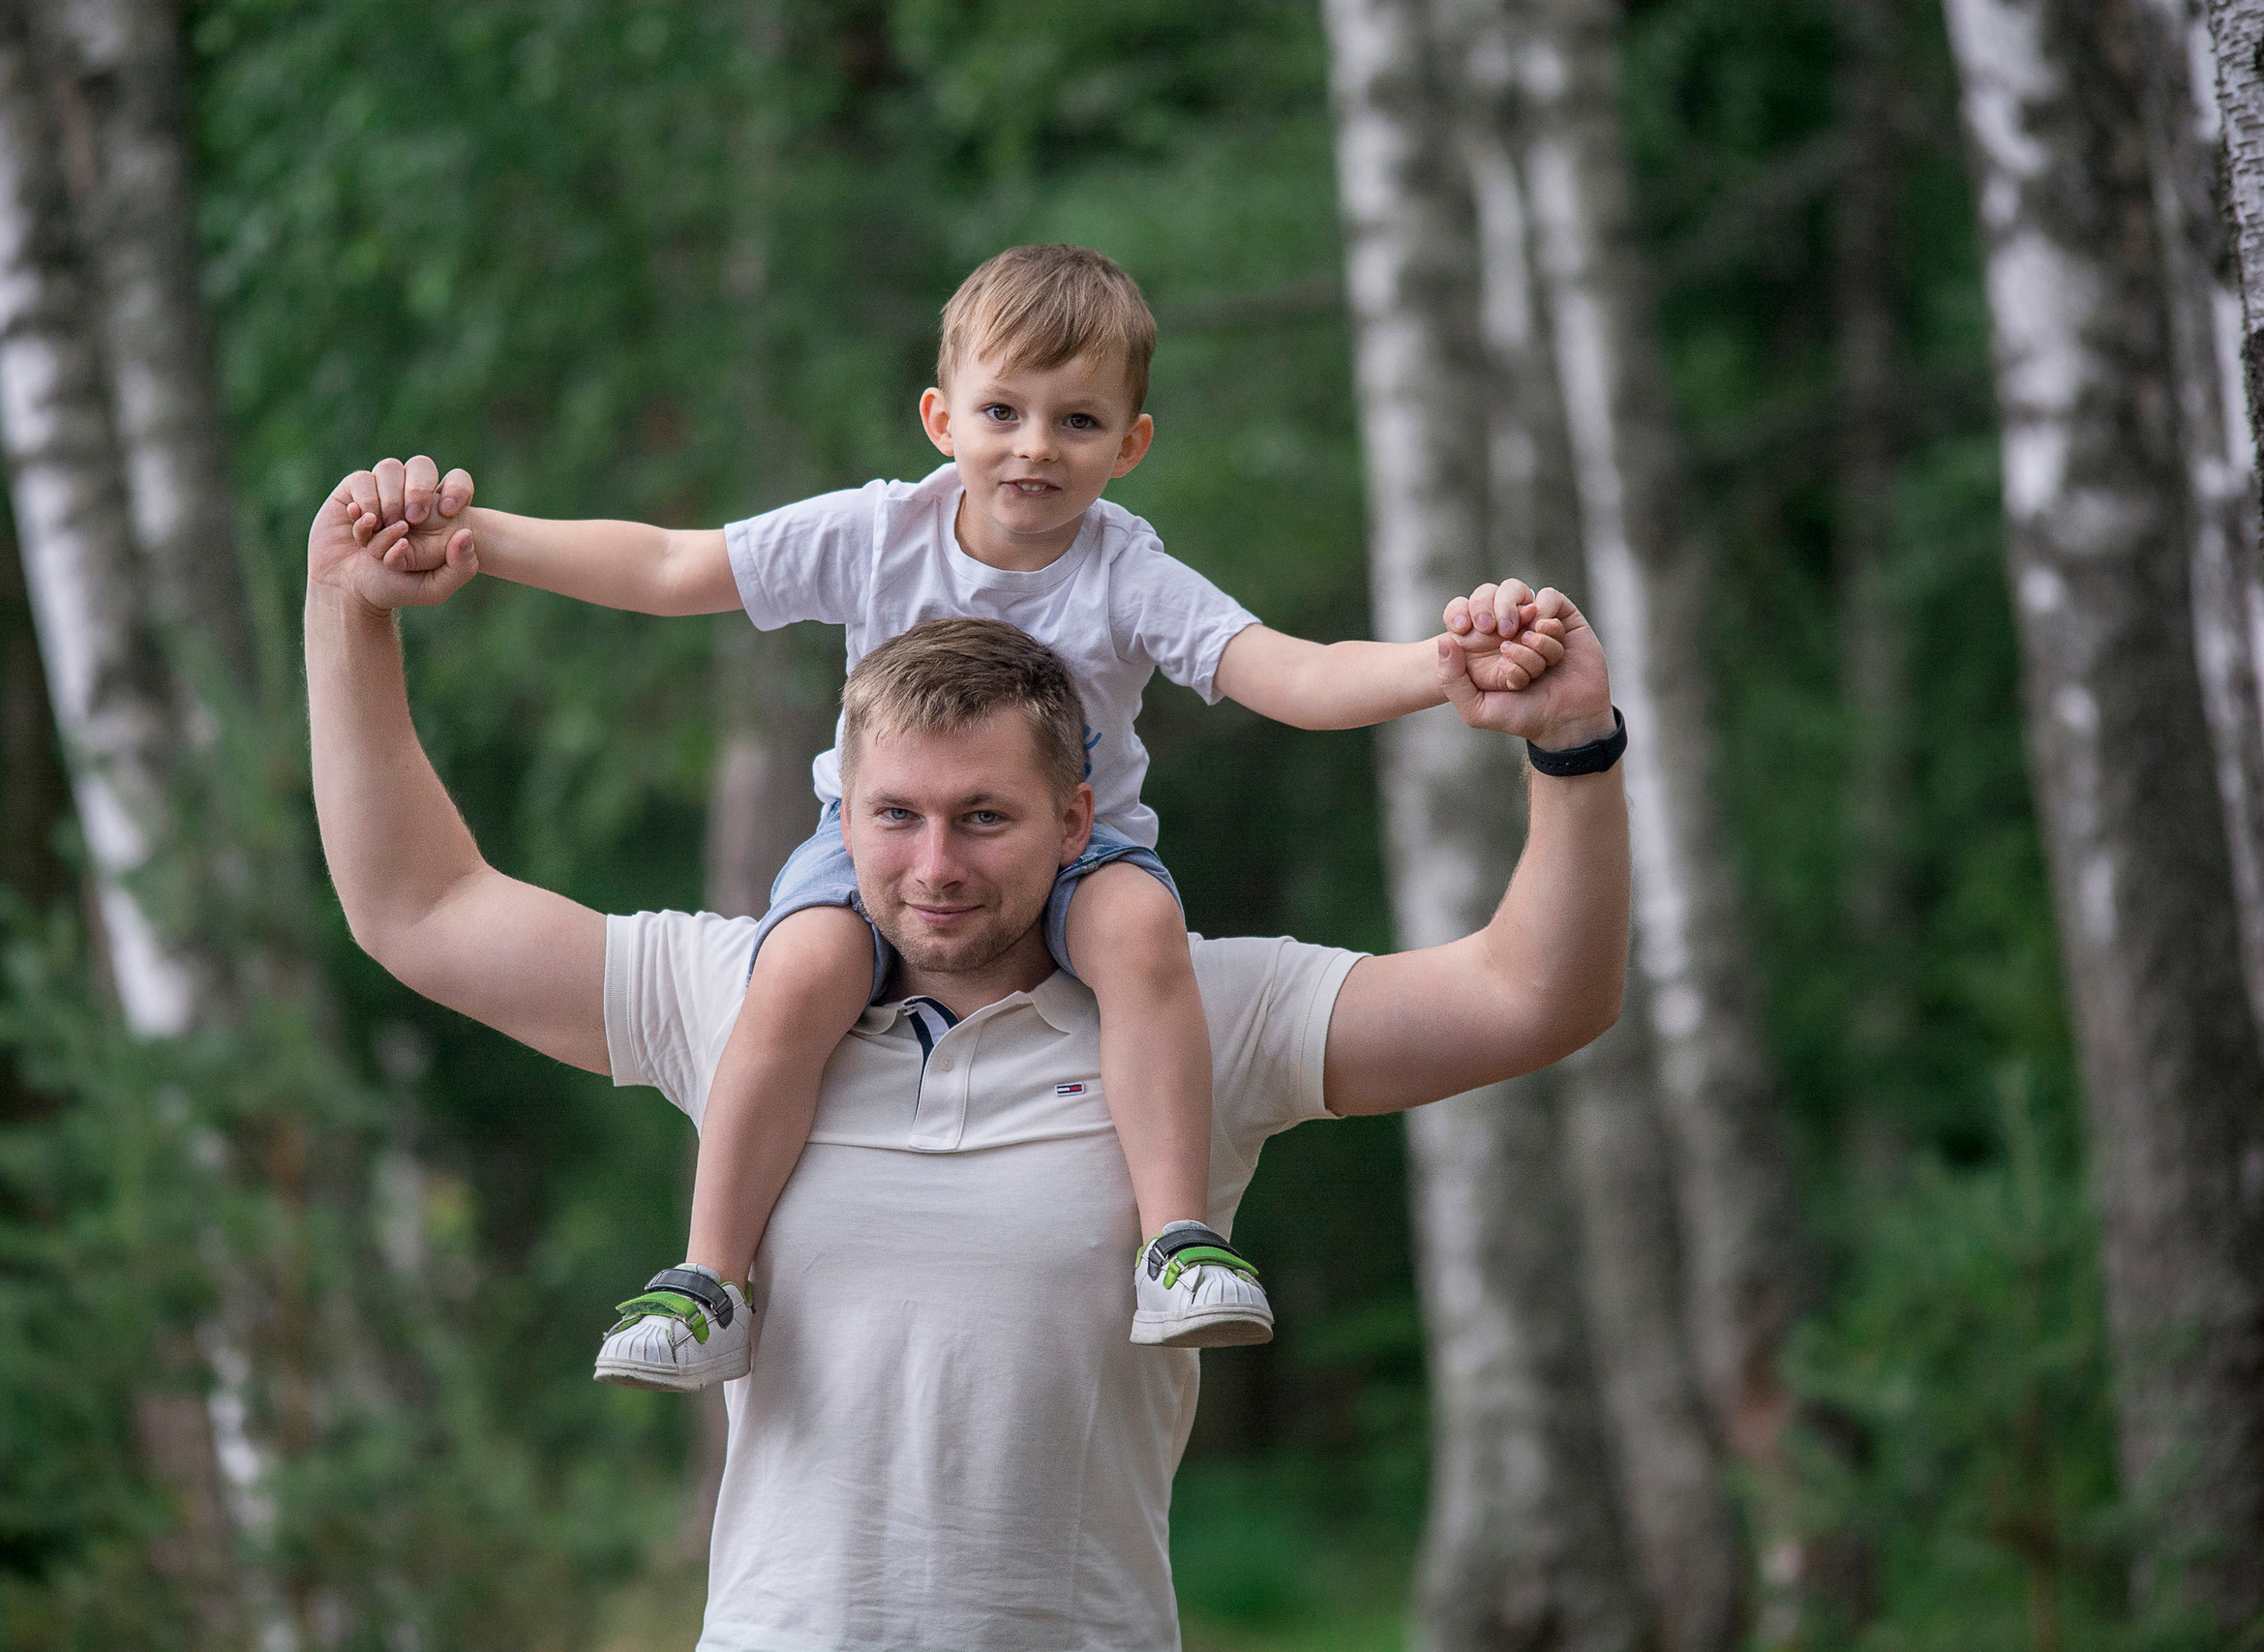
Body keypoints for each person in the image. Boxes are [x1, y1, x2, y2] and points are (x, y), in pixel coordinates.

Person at [307, 463, 1630, 1649]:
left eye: (984, 817)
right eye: (896, 815)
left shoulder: (1188, 1013)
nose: (934, 865)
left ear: (1075, 819)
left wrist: (1574, 747)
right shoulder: (746, 994)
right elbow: (419, 908)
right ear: (841, 810)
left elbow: (1531, 998)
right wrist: (347, 606)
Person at [344, 244, 1568, 1386]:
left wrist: (1440, 666)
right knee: (798, 967)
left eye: (1076, 422)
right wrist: (473, 535)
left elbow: (1287, 674)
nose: (1034, 448)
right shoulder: (878, 534)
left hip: (1078, 850)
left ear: (1130, 444)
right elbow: (671, 567)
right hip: (871, 840)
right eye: (1002, 412)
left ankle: (1176, 1243)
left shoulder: (1128, 572)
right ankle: (709, 1279)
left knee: (1142, 935)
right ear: (942, 418)